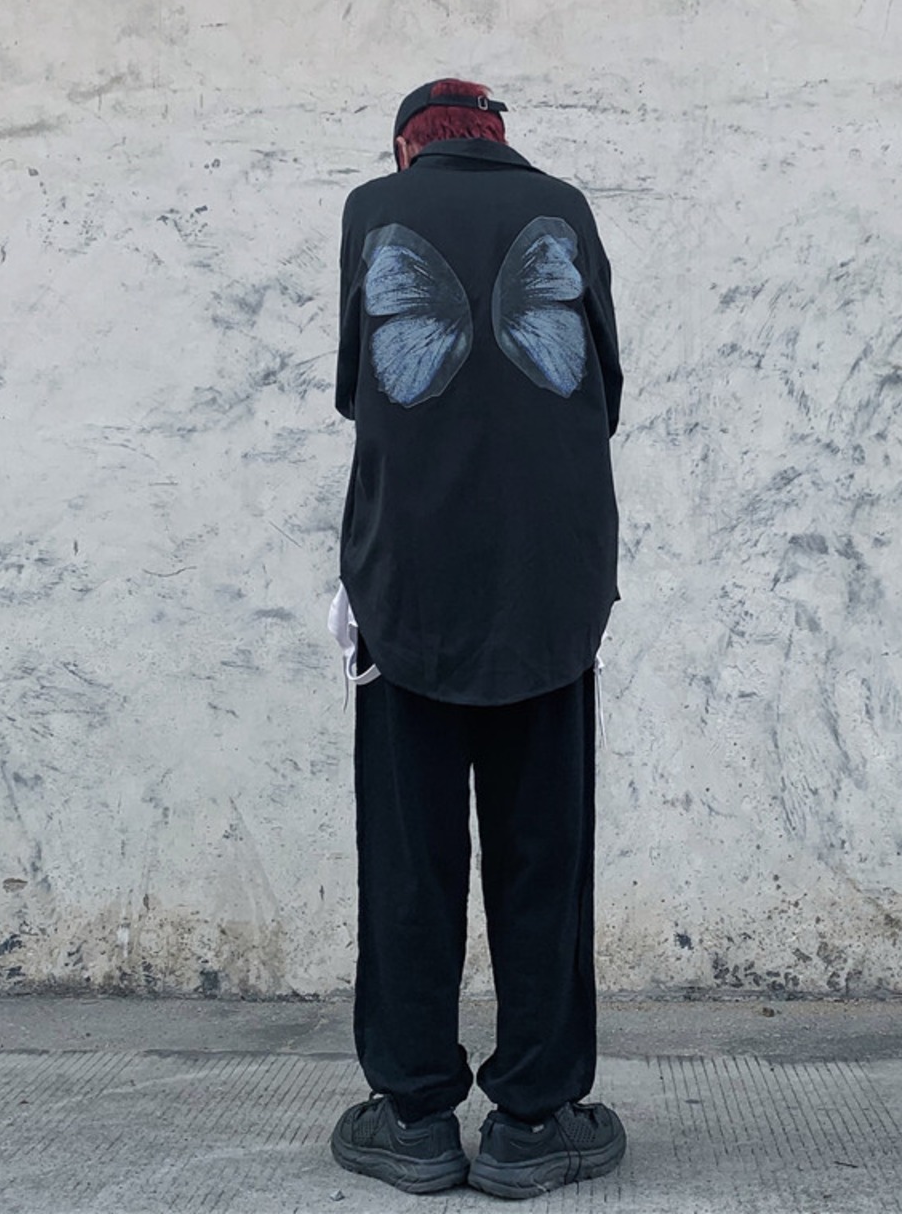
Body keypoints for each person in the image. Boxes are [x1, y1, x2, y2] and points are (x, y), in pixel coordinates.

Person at [327, 78, 625, 1199]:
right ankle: (534, 1121)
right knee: (543, 850)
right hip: (548, 583)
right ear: (498, 139)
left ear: (407, 148)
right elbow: (603, 393)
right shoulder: (565, 205)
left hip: (408, 581)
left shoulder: (373, 208)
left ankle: (412, 1116)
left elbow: (361, 391)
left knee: (410, 857)